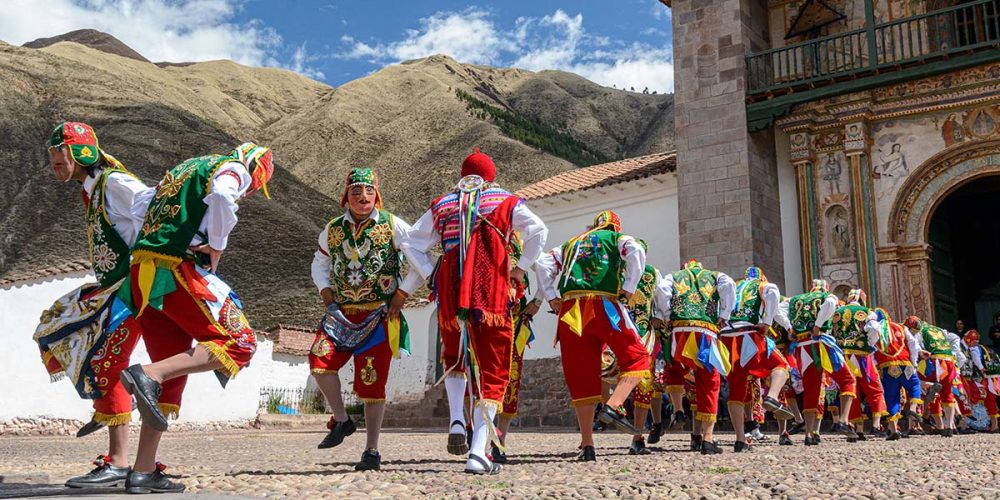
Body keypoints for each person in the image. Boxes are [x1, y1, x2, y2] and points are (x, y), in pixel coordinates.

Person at [116, 142, 275, 494]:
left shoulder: (184, 169)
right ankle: (146, 373)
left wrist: (158, 238)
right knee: (240, 343)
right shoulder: (232, 169)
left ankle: (142, 471)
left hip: (144, 275)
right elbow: (222, 196)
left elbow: (141, 203)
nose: (248, 190)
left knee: (170, 378)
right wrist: (216, 244)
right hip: (176, 271)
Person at [402, 148, 547, 474]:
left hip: (452, 290)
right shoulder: (506, 201)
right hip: (491, 289)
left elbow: (411, 242)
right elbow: (539, 230)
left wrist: (431, 274)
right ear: (491, 175)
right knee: (494, 368)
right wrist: (521, 269)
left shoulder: (444, 204)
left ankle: (456, 420)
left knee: (455, 355)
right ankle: (478, 452)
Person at [34, 122, 152, 489]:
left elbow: (152, 204)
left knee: (106, 361)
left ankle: (117, 461)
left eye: (59, 158)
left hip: (133, 288)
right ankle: (110, 407)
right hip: (112, 287)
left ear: (79, 153)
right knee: (53, 328)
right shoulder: (93, 188)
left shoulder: (114, 183)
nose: (55, 164)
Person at [308, 168, 424, 470]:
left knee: (372, 384)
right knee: (320, 363)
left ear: (377, 194)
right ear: (346, 195)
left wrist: (401, 295)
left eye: (368, 191)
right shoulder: (332, 229)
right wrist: (326, 295)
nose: (363, 197)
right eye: (356, 191)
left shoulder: (393, 225)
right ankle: (343, 420)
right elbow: (319, 263)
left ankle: (372, 450)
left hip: (378, 315)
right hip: (341, 314)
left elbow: (421, 260)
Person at [535, 210, 650, 461]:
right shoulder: (615, 238)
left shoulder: (570, 244)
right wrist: (629, 289)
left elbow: (543, 263)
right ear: (614, 227)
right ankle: (613, 405)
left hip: (570, 310)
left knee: (581, 374)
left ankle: (587, 444)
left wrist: (552, 297)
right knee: (638, 357)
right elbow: (636, 251)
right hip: (603, 305)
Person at [654, 259, 737, 454]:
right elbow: (730, 286)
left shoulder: (673, 276)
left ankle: (678, 410)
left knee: (674, 368)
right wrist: (724, 314)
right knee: (709, 381)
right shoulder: (716, 276)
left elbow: (662, 290)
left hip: (679, 332)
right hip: (705, 332)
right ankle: (707, 439)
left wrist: (667, 315)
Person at [719, 266, 794, 452]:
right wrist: (769, 322)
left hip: (727, 337)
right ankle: (772, 397)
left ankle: (740, 440)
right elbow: (773, 293)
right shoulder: (762, 285)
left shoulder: (734, 287)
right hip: (749, 334)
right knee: (780, 365)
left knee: (736, 388)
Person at [784, 280, 857, 446]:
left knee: (811, 389)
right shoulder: (827, 296)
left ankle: (809, 434)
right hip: (822, 344)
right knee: (847, 379)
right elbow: (830, 303)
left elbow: (778, 311)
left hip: (802, 347)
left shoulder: (795, 300)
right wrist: (817, 325)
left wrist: (789, 328)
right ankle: (844, 420)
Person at [830, 289, 887, 441]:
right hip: (862, 356)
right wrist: (869, 344)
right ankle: (876, 425)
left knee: (851, 391)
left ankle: (856, 428)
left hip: (844, 357)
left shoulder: (837, 312)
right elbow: (874, 329)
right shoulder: (867, 312)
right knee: (874, 388)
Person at [904, 315, 967, 437]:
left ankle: (915, 424)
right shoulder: (938, 329)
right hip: (949, 362)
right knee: (947, 393)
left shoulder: (917, 332)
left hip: (932, 362)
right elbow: (954, 338)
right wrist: (953, 352)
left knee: (917, 386)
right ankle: (949, 427)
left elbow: (916, 347)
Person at [871, 308, 922, 440]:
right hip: (905, 364)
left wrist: (876, 365)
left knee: (891, 397)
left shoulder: (874, 329)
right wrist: (914, 362)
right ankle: (913, 407)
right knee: (914, 385)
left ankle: (893, 430)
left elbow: (871, 349)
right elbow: (913, 344)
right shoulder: (901, 327)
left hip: (886, 368)